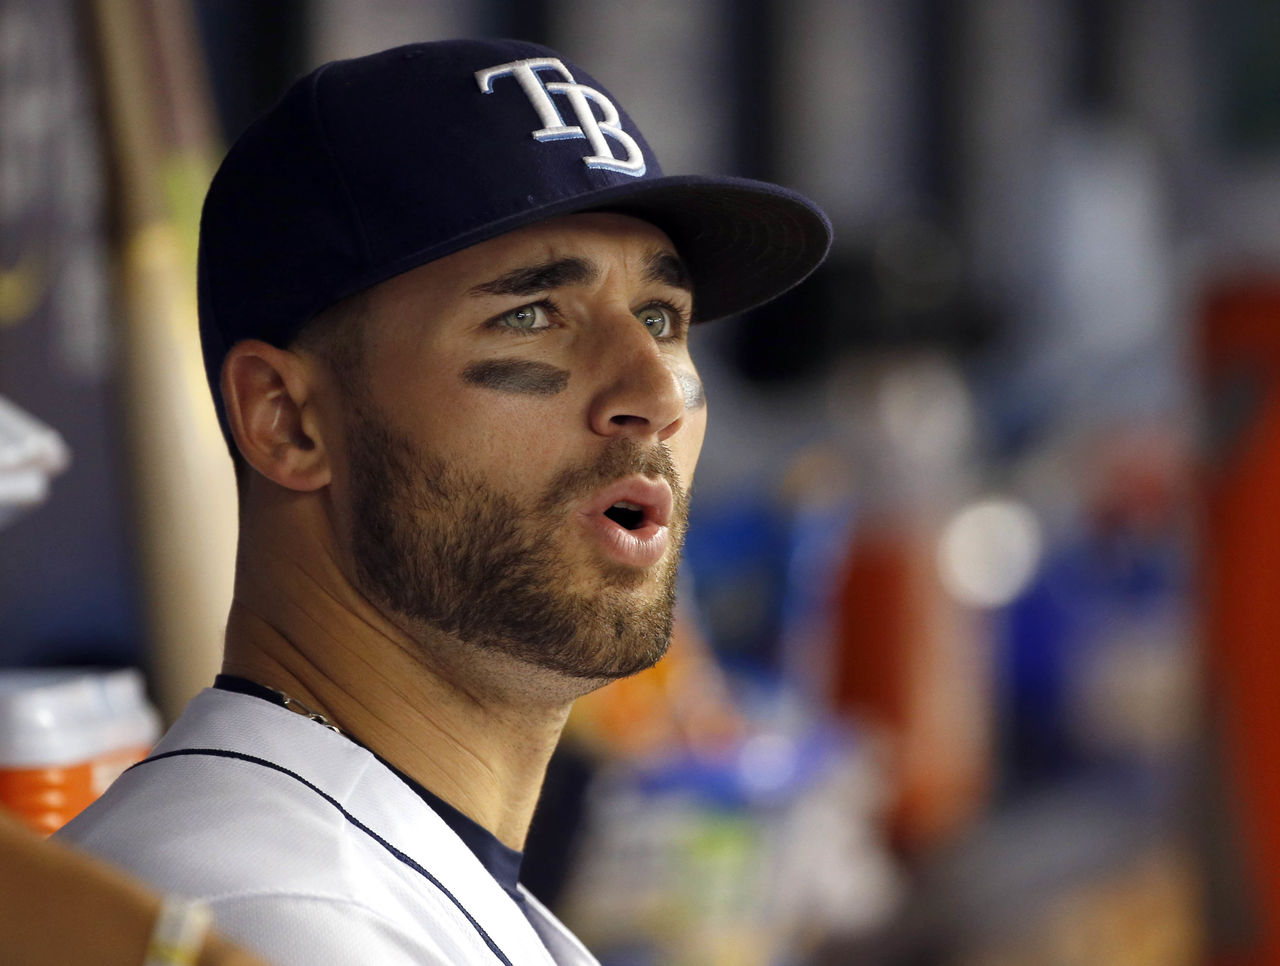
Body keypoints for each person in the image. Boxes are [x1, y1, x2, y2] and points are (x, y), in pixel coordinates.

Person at [58, 38, 830, 965]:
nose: (657, 395)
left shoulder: (377, 870)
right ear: (288, 420)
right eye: (533, 315)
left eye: (661, 320)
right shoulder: (274, 918)